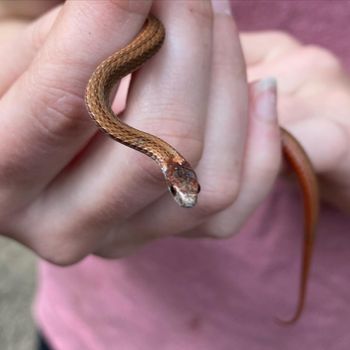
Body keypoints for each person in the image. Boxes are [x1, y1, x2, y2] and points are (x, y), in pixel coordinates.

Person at [0, 0, 350, 349]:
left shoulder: (145, 142)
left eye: (188, 191)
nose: (189, 199)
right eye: (185, 190)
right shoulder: (139, 133)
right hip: (92, 328)